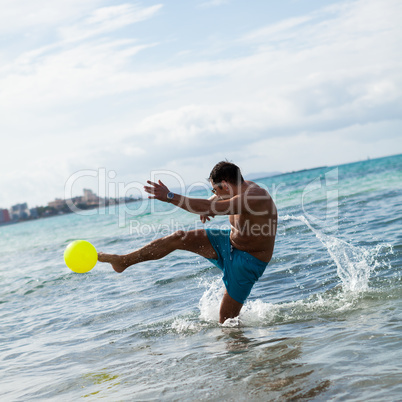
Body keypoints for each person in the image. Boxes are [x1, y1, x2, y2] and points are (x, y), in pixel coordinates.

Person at [98, 161, 277, 323]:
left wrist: (169, 196)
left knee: (227, 323)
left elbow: (213, 206)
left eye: (215, 190)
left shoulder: (254, 197)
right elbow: (213, 202)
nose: (214, 194)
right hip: (227, 244)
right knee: (178, 237)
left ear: (225, 185)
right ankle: (124, 261)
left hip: (248, 262)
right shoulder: (237, 191)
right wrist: (209, 202)